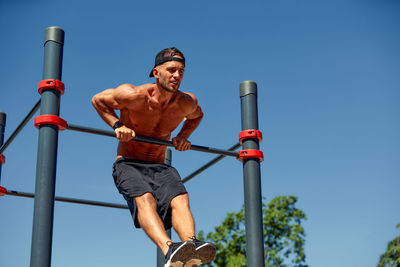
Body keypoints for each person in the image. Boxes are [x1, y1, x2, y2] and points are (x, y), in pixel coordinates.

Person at [91, 47, 216, 267]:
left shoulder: (185, 102)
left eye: (181, 71)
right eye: (171, 70)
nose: (177, 75)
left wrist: (183, 136)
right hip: (129, 163)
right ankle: (169, 249)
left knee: (180, 199)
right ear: (156, 72)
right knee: (145, 198)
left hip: (159, 164)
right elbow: (98, 100)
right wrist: (117, 124)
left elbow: (197, 116)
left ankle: (190, 248)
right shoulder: (134, 95)